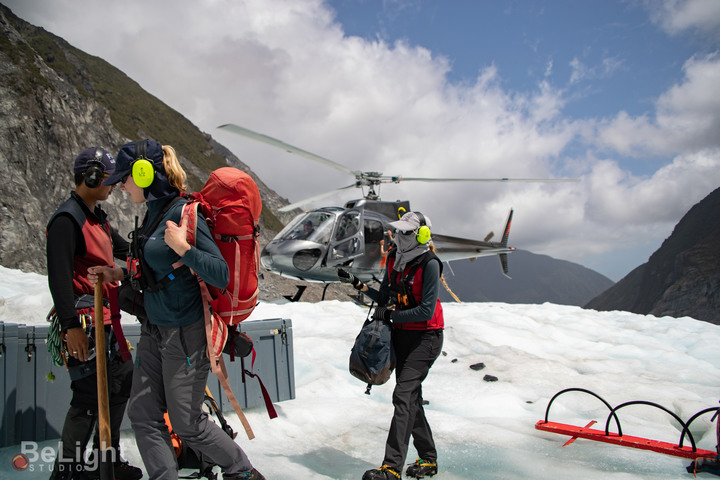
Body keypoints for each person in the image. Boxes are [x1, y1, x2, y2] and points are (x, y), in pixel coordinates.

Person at [89, 139, 264, 480]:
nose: (121, 186)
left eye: (125, 178)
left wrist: (185, 249)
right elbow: (155, 270)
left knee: (187, 423)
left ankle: (242, 472)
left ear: (143, 175)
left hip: (186, 333)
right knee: (142, 413)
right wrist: (118, 273)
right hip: (155, 329)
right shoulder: (153, 215)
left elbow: (220, 273)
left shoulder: (184, 213)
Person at [46, 147, 142, 480]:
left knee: (121, 384)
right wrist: (71, 326)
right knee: (88, 395)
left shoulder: (96, 217)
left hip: (108, 321)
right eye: (107, 179)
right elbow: (58, 277)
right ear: (89, 177)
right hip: (85, 323)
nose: (113, 184)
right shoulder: (66, 220)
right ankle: (67, 472)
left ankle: (106, 461)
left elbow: (123, 249)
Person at [339, 211, 444, 480]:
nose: (399, 236)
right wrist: (358, 284)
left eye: (406, 232)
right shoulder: (395, 259)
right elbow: (385, 296)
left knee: (403, 396)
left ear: (421, 235)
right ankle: (428, 459)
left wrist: (391, 315)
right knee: (411, 398)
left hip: (426, 338)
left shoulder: (430, 264)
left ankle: (391, 469)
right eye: (398, 231)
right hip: (402, 334)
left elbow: (425, 310)